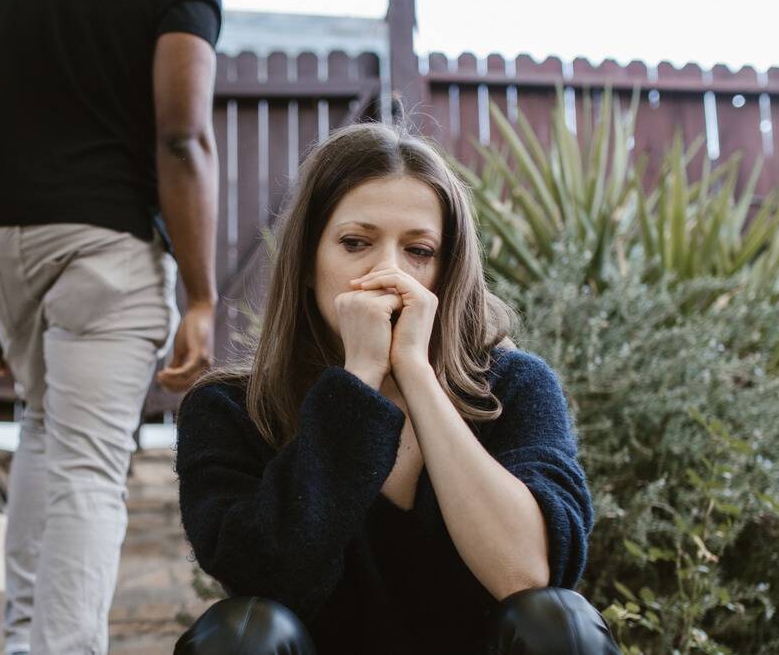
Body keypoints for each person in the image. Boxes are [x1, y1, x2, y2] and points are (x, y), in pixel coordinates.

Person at [172, 123, 621, 654]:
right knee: (239, 634)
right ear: (309, 264)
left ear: (446, 272)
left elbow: (526, 575)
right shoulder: (231, 410)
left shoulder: (517, 387)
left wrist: (414, 369)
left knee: (557, 620)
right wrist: (357, 382)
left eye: (419, 251)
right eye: (356, 243)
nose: (388, 272)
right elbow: (267, 582)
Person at [0, 0, 222, 653]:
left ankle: (24, 642)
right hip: (104, 242)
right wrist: (200, 295)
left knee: (43, 427)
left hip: (0, 241)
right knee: (90, 468)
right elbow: (183, 136)